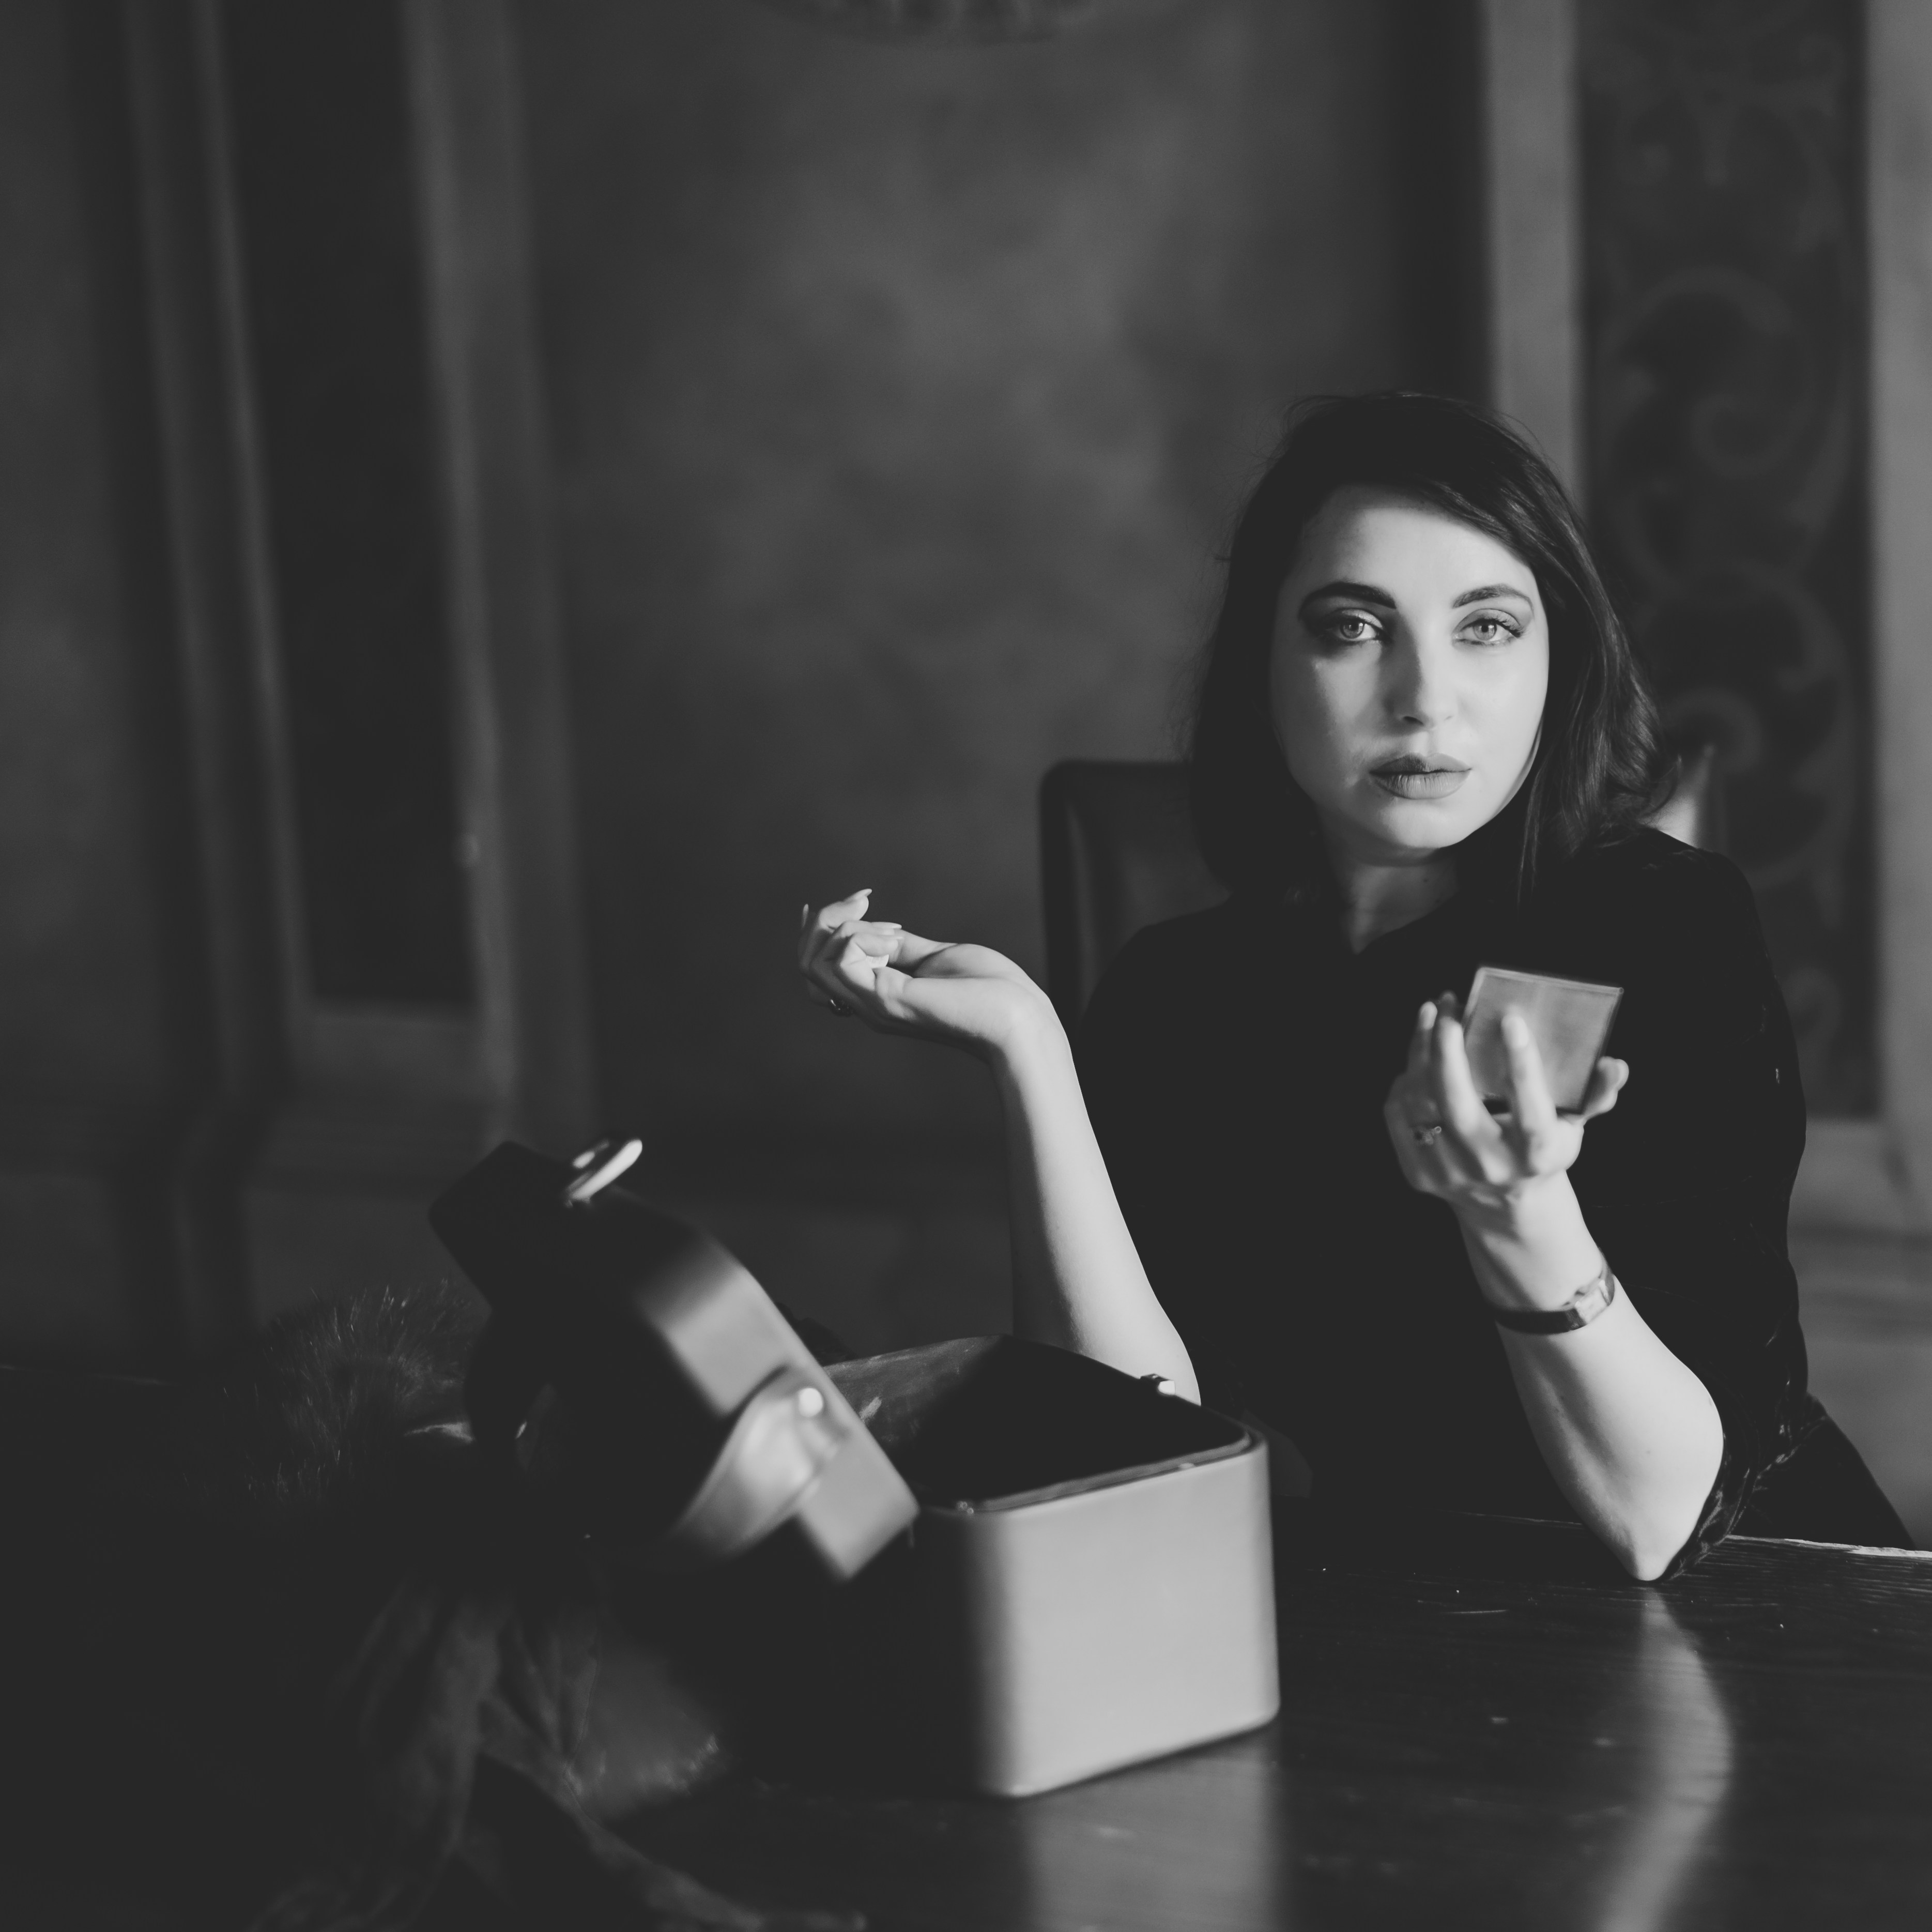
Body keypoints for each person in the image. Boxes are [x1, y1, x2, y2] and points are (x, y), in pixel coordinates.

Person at [797, 391, 1911, 1580]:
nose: (1425, 697)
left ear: (1558, 660)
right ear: (1265, 664)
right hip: (1426, 1638)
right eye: (1354, 628)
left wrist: (1513, 1214)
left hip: (1775, 1621)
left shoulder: (1644, 925)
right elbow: (1135, 1448)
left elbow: (1662, 1518)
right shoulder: (1178, 993)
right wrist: (1029, 1055)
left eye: (1487, 627)